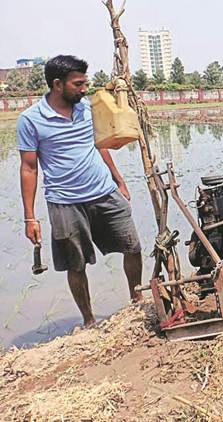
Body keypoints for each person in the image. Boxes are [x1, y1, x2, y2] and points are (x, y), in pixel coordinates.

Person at [17, 55, 142, 327]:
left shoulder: (87, 109)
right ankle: (89, 321)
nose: (84, 89)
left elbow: (100, 145)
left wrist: (118, 180)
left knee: (133, 246)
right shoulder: (31, 120)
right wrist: (30, 217)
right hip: (65, 202)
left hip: (104, 192)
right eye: (78, 84)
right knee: (75, 264)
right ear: (57, 84)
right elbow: (29, 168)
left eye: (85, 83)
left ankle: (137, 303)